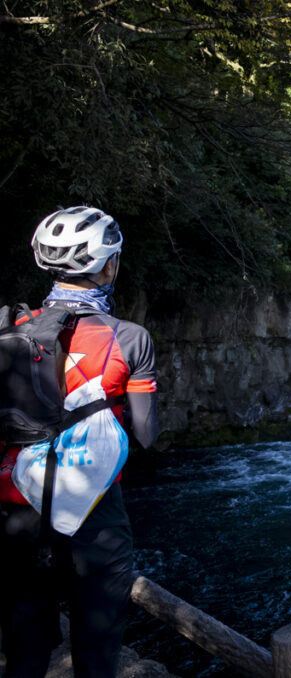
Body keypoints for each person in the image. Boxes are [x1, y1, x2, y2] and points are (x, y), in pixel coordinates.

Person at [0, 206, 159, 678]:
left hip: (15, 511)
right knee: (96, 653)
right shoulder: (130, 339)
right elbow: (147, 436)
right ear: (108, 266)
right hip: (95, 515)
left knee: (24, 653)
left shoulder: (11, 330)